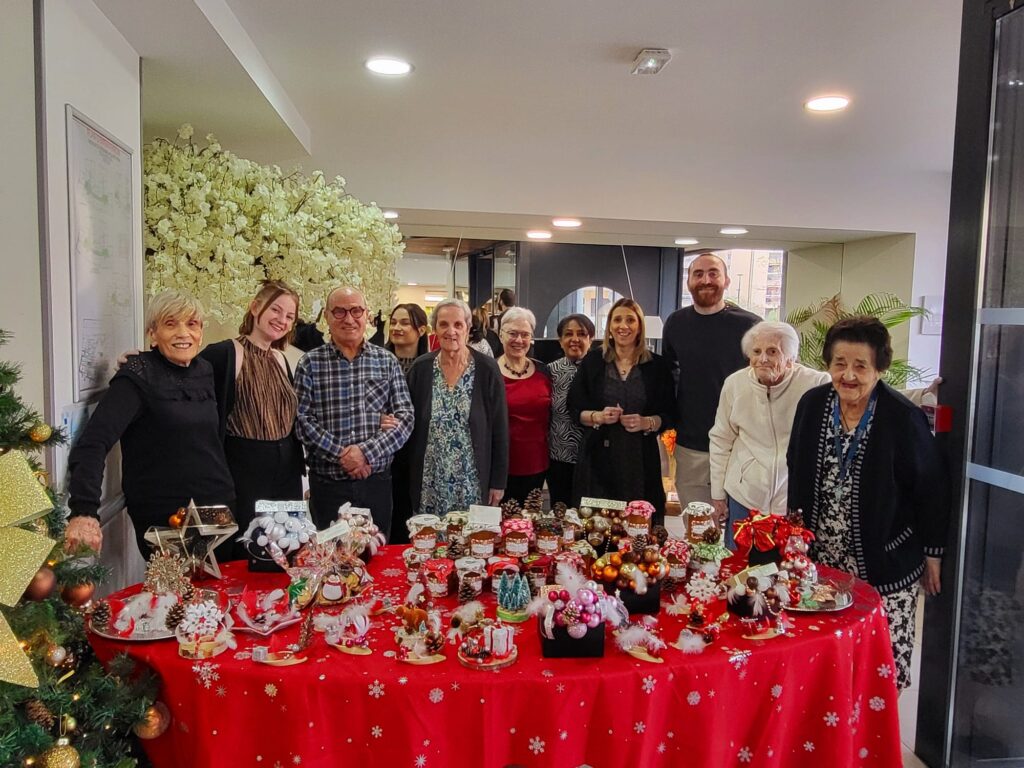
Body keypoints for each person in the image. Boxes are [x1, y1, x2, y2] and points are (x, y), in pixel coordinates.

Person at [787, 316, 949, 690]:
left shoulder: (901, 417)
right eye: (840, 364)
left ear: (879, 368)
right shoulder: (812, 405)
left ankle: (873, 742)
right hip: (822, 562)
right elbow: (795, 468)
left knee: (878, 668)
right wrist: (794, 537)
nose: (849, 375)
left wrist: (932, 553)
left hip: (884, 564)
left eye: (861, 366)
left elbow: (931, 488)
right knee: (824, 661)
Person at [65, 291, 235, 555]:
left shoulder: (204, 370)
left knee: (223, 593)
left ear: (201, 331)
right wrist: (84, 511)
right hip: (165, 515)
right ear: (152, 333)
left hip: (217, 507)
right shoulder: (137, 376)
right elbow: (93, 442)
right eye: (170, 324)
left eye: (191, 324)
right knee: (173, 595)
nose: (183, 333)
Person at [294, 286, 414, 537]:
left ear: (367, 315)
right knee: (329, 561)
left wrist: (365, 453)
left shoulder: (386, 361)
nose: (349, 319)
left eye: (356, 310)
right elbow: (303, 421)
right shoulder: (310, 363)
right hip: (328, 486)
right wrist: (343, 455)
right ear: (326, 316)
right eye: (339, 311)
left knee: (377, 558)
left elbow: (405, 418)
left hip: (375, 483)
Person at [199, 280, 305, 560]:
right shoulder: (225, 353)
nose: (282, 320)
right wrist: (144, 361)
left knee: (285, 551)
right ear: (256, 307)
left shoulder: (282, 359)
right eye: (276, 310)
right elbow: (183, 376)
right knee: (246, 552)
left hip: (287, 473)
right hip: (243, 471)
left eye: (290, 316)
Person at [708, 321, 829, 547]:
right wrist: (717, 494)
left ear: (791, 358)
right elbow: (721, 439)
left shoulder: (817, 384)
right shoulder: (735, 384)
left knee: (787, 572)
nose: (763, 359)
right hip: (745, 493)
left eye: (772, 352)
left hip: (792, 497)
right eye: (756, 352)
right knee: (739, 568)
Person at [663, 253, 760, 506]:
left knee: (739, 527)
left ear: (726, 280)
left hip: (740, 444)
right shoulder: (676, 323)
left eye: (713, 273)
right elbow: (668, 375)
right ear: (688, 282)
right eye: (698, 274)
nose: (706, 280)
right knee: (697, 525)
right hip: (691, 443)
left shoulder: (750, 326)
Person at [569, 298, 675, 518]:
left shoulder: (657, 366)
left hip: (640, 460)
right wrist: (598, 416)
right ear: (609, 327)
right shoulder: (593, 361)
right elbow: (574, 408)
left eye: (630, 320)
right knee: (597, 529)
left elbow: (670, 413)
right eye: (617, 320)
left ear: (639, 327)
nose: (623, 326)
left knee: (640, 530)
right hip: (597, 460)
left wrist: (647, 422)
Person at [406, 298, 508, 520]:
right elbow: (408, 425)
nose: (450, 331)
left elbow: (500, 428)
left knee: (472, 543)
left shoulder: (487, 368)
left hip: (472, 480)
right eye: (443, 324)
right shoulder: (421, 368)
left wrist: (498, 482)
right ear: (434, 329)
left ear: (468, 328)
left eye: (458, 325)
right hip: (430, 480)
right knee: (429, 543)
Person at [497, 307, 552, 505]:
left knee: (531, 522)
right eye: (512, 333)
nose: (519, 340)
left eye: (525, 334)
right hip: (501, 467)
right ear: (500, 334)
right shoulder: (490, 373)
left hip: (538, 463)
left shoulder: (544, 371)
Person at [546, 313, 596, 507]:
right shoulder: (549, 372)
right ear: (560, 340)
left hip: (592, 458)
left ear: (590, 339)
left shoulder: (600, 370)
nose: (575, 339)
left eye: (582, 334)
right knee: (560, 509)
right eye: (568, 334)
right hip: (558, 456)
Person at [384, 303, 430, 375]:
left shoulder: (430, 366)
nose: (396, 328)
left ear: (421, 330)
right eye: (393, 323)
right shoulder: (378, 362)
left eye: (405, 323)